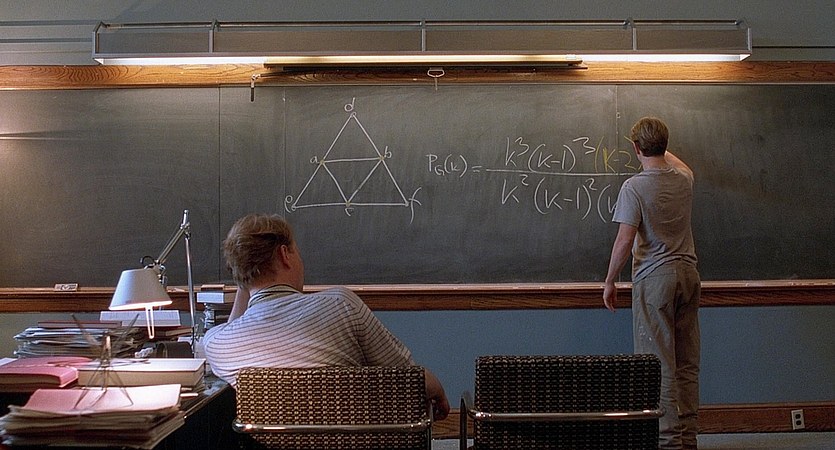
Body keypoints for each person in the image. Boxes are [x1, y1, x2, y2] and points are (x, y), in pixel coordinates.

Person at [202, 213, 450, 420]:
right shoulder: (341, 304)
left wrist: (245, 280)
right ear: (285, 255)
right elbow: (407, 377)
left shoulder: (217, 344)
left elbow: (231, 327)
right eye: (297, 252)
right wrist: (436, 387)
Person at [603, 117, 701, 450]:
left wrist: (610, 281)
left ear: (636, 148)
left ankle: (668, 441)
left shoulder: (634, 187)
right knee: (686, 363)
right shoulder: (684, 180)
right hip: (688, 275)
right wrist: (658, 146)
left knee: (659, 365)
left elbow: (624, 240)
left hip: (655, 280)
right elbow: (681, 166)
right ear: (664, 145)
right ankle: (688, 438)